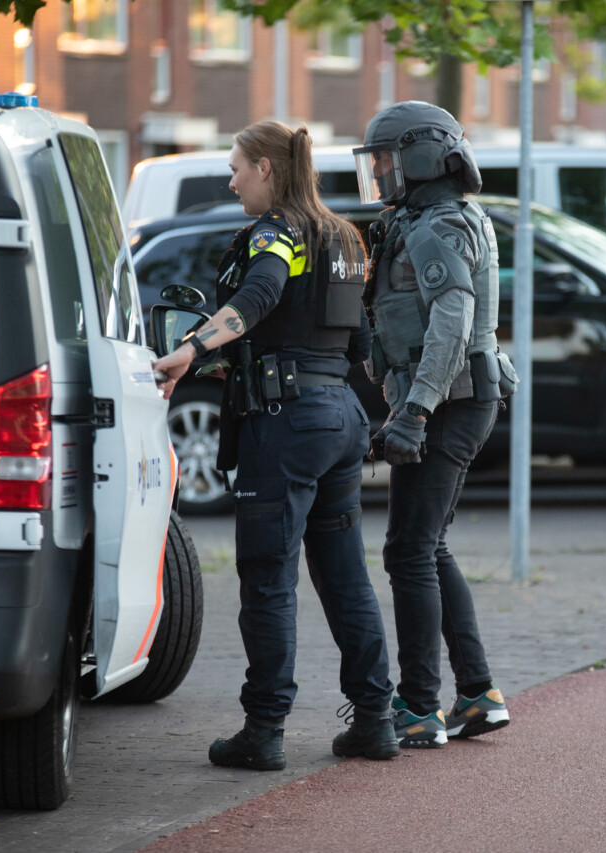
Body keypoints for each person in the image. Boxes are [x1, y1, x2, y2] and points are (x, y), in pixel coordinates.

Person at [154, 120, 398, 770]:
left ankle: (264, 728)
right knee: (344, 572)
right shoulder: (344, 237)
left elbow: (259, 295)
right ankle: (375, 718)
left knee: (267, 576)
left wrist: (191, 348)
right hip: (339, 418)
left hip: (285, 420)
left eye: (237, 168)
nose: (231, 180)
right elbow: (359, 343)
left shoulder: (278, 234)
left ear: (266, 168)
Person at [352, 101, 518, 748]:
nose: (382, 173)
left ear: (423, 158)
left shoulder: (441, 227)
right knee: (426, 546)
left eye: (389, 160)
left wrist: (415, 411)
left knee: (408, 550)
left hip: (452, 401)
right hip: (448, 398)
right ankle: (476, 694)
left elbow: (452, 322)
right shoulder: (418, 220)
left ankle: (419, 704)